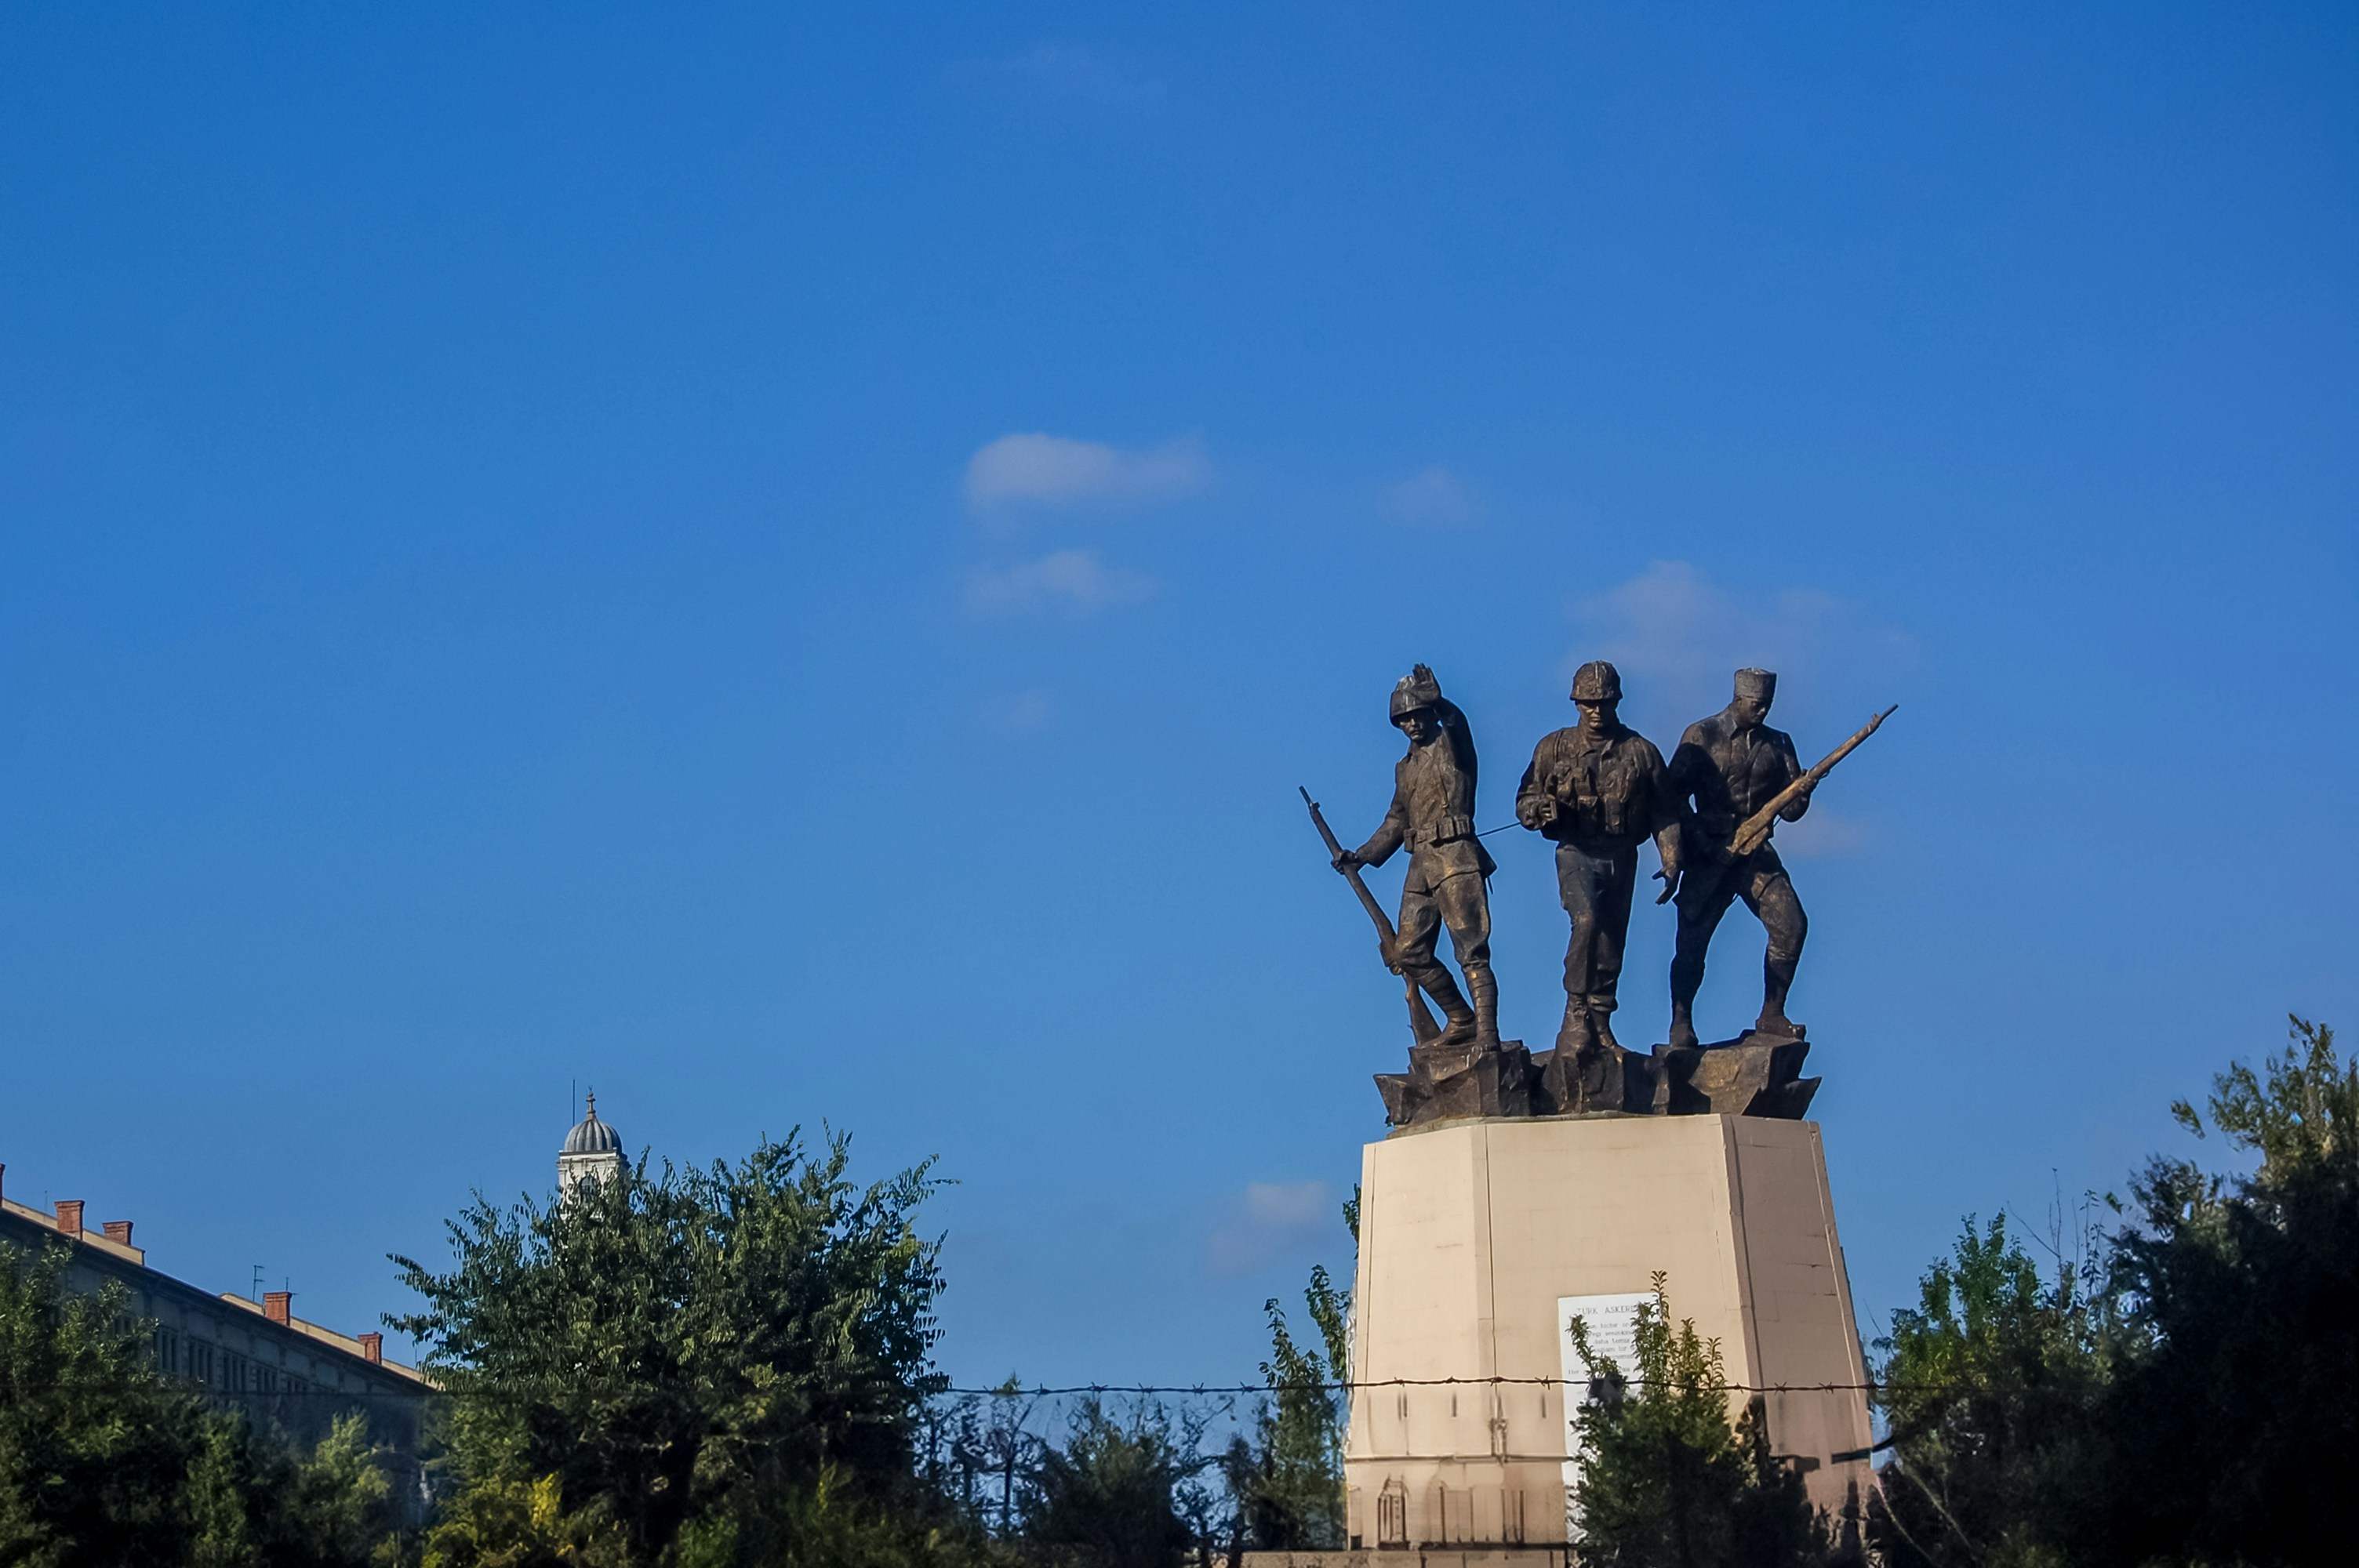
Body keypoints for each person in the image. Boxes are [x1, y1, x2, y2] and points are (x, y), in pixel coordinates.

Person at [1514, 660, 1681, 1054]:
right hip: (1576, 852)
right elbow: (1524, 800)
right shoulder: (1552, 748)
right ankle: (1575, 1010)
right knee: (1586, 921)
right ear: (1576, 703)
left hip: (1622, 855)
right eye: (1587, 703)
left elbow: (1665, 812)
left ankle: (1601, 1021)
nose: (1596, 711)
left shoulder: (1641, 752)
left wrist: (1671, 860)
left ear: (1616, 702)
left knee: (1611, 942)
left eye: (1603, 702)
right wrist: (1539, 810)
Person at [1333, 666, 1498, 1047]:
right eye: (1404, 719)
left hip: (1457, 858)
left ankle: (1488, 1033)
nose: (1412, 724)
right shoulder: (1404, 769)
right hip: (1421, 866)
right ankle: (1462, 1019)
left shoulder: (1453, 748)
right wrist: (1359, 856)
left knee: (1471, 949)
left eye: (1417, 715)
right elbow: (1396, 820)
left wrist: (1439, 701)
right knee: (1407, 952)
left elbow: (1457, 725)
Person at [1663, 667, 1812, 1048]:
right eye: (1756, 705)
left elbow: (1792, 811)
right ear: (1738, 699)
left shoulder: (1779, 743)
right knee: (1692, 944)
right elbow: (1671, 797)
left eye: (1768, 705)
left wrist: (1803, 790)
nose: (1763, 712)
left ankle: (1772, 1013)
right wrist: (1698, 840)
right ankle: (1681, 1021)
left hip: (1756, 853)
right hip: (1710, 851)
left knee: (1791, 926)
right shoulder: (1702, 735)